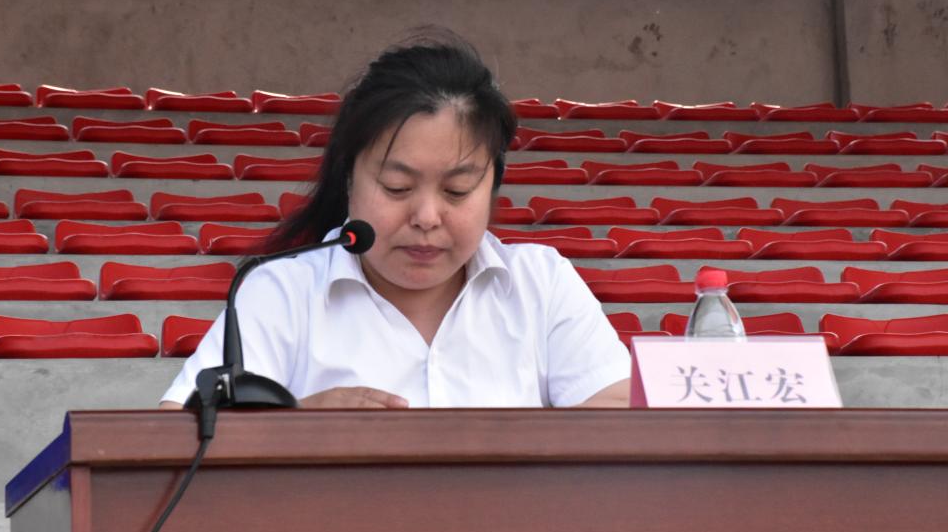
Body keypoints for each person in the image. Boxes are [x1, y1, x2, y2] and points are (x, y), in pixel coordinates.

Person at [161, 30, 630, 409]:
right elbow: (183, 441)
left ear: (493, 187)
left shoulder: (541, 285)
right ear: (349, 179)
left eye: (457, 191)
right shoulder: (280, 292)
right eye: (397, 187)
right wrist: (296, 425)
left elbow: (618, 424)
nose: (426, 217)